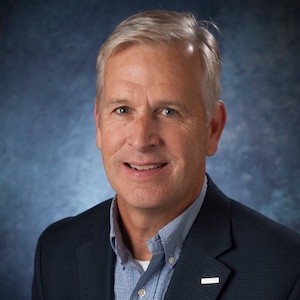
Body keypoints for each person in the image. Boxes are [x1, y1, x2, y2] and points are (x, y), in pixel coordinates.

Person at [32, 10, 300, 300]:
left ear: (213, 128)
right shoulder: (56, 251)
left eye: (168, 111)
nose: (141, 139)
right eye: (122, 110)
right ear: (99, 123)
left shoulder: (286, 270)